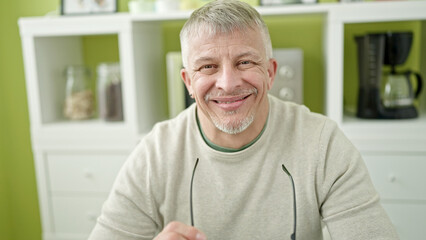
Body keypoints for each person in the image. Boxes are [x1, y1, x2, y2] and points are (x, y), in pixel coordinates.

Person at [89, 1, 399, 239]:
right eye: (208, 67)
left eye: (245, 62)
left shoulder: (322, 143)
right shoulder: (155, 154)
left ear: (270, 72)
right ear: (188, 83)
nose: (227, 83)